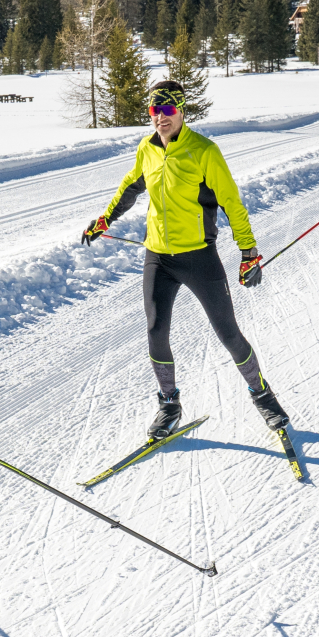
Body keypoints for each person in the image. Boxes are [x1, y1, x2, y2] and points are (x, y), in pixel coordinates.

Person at [79, 78, 289, 441]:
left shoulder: (204, 151)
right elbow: (130, 186)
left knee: (228, 333)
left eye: (168, 109)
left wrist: (248, 253)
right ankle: (169, 404)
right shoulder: (147, 149)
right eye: (154, 110)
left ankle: (262, 395)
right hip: (158, 256)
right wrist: (105, 219)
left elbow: (232, 204)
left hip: (198, 257)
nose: (161, 117)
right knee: (156, 331)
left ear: (180, 110)